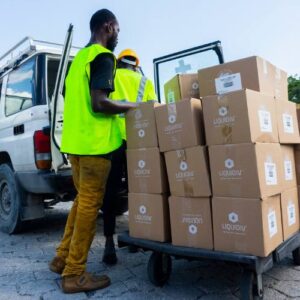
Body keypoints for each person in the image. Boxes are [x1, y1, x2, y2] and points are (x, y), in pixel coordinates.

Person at [48, 9, 137, 294]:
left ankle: (62, 258)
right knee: (88, 205)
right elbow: (100, 103)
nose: (118, 36)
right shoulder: (103, 56)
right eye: (118, 30)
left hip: (74, 145)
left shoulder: (77, 62)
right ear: (108, 27)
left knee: (80, 202)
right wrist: (133, 106)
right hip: (94, 147)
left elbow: (70, 97)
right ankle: (74, 273)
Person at [101, 49, 157, 265]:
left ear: (118, 63)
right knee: (137, 188)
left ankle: (108, 244)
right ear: (135, 65)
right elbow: (153, 109)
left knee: (111, 191)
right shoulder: (145, 81)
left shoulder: (111, 76)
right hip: (138, 141)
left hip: (113, 140)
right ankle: (137, 235)